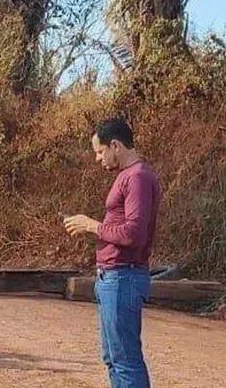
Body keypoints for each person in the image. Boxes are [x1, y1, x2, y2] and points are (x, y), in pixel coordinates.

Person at [63, 118, 161, 388]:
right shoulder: (129, 177)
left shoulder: (137, 177)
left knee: (125, 361)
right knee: (113, 358)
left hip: (123, 278)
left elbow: (132, 234)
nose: (98, 159)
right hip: (114, 278)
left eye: (99, 151)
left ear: (115, 145)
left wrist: (91, 225)